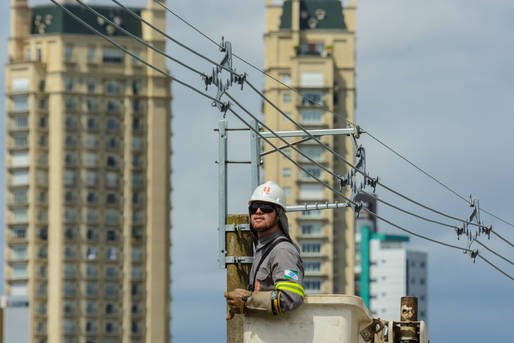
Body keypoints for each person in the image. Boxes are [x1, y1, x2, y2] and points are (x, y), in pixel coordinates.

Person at [225, 181, 304, 319]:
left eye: (266, 207)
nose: (258, 211)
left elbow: (291, 297)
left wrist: (247, 300)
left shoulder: (283, 251)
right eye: (254, 208)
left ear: (279, 214)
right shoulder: (264, 249)